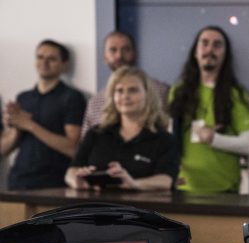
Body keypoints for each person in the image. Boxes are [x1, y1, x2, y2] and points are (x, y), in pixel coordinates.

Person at [168, 25, 249, 193]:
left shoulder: (237, 94)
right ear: (195, 52)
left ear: (225, 55)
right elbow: (170, 138)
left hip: (224, 191)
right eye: (204, 43)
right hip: (183, 188)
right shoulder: (177, 92)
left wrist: (214, 139)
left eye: (217, 45)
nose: (210, 49)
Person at [65, 66, 178, 191]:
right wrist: (77, 181)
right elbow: (71, 172)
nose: (125, 96)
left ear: (148, 94)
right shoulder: (95, 134)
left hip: (142, 209)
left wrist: (134, 184)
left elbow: (166, 180)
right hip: (98, 207)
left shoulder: (164, 139)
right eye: (119, 91)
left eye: (133, 90)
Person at [1, 39, 86, 190]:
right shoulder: (23, 98)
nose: (44, 62)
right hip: (18, 181)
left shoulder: (72, 97)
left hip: (54, 185)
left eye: (51, 59)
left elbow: (73, 148)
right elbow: (4, 149)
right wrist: (17, 127)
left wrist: (30, 125)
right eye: (40, 57)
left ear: (64, 64)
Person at [80, 31, 169, 139]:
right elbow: (86, 144)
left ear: (135, 53)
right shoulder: (95, 102)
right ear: (105, 57)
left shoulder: (161, 91)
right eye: (113, 50)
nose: (119, 56)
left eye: (126, 49)